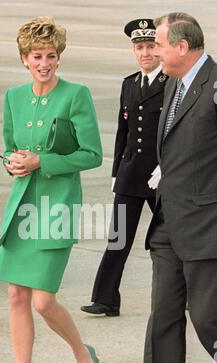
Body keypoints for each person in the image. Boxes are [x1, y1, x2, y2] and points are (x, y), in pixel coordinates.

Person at [0, 16, 103, 363]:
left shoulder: (76, 94)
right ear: (24, 59)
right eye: (37, 56)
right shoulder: (15, 97)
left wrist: (44, 161)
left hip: (57, 206)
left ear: (59, 57)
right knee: (16, 294)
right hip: (21, 203)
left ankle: (82, 353)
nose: (45, 63)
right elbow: (9, 148)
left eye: (51, 56)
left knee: (43, 302)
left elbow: (91, 154)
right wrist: (15, 163)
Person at [127, 12, 217, 363]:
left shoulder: (213, 85)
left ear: (182, 47)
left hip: (206, 224)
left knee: (208, 318)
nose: (153, 52)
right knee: (162, 317)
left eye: (160, 44)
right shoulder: (173, 85)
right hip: (167, 223)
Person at [81, 19, 168, 317]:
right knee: (117, 238)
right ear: (133, 51)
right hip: (131, 174)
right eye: (140, 47)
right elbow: (123, 130)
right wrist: (117, 170)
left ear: (160, 48)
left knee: (175, 238)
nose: (146, 53)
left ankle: (188, 295)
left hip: (162, 176)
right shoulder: (129, 83)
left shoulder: (173, 83)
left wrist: (168, 167)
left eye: (151, 46)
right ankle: (105, 299)